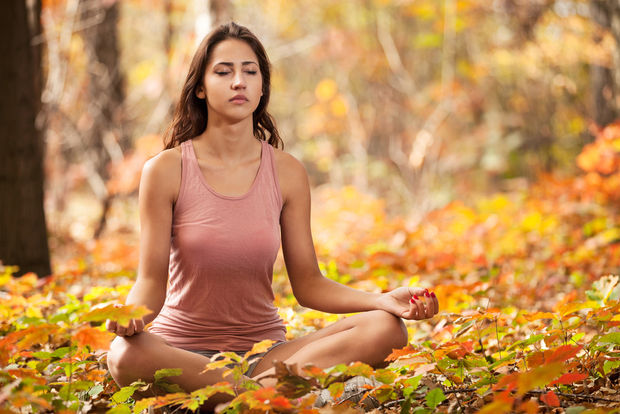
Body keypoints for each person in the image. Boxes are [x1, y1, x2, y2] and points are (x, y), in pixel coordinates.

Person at [105, 22, 439, 409]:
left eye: (250, 71)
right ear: (199, 87)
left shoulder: (287, 172)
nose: (238, 82)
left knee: (386, 328)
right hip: (181, 355)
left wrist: (384, 301)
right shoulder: (165, 170)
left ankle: (244, 397)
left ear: (263, 86)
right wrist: (131, 317)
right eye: (223, 71)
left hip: (266, 355)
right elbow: (149, 283)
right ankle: (267, 399)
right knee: (125, 354)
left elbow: (309, 284)